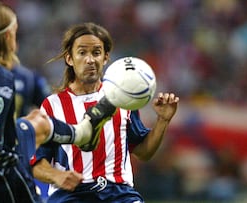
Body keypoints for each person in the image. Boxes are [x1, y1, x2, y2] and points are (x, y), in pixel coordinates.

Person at [0, 2, 116, 203]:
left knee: (35, 120)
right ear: (7, 36)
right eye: (15, 32)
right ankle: (83, 133)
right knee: (35, 124)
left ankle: (81, 133)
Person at [31, 22, 180, 203]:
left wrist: (162, 120)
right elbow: (36, 163)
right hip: (72, 195)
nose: (90, 59)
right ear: (69, 58)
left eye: (96, 52)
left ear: (106, 57)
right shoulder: (52, 105)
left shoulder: (122, 99)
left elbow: (143, 152)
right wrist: (56, 176)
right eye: (82, 52)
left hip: (120, 194)